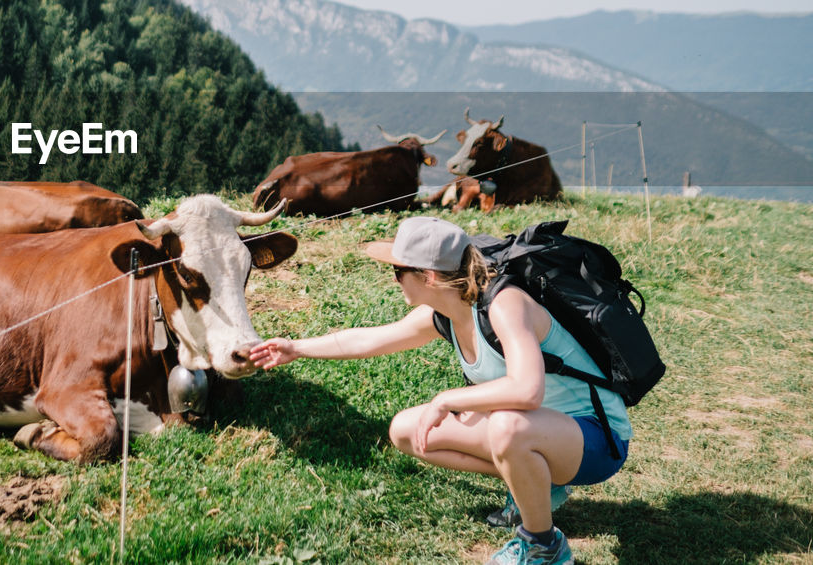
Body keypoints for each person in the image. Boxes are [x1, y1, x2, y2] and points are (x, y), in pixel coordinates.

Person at [249, 216, 631, 565]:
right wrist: (296, 348)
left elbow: (527, 390)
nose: (394, 278)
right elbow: (370, 340)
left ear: (429, 276)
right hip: (541, 434)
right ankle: (535, 485)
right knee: (408, 432)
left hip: (595, 438)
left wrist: (446, 399)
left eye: (399, 271)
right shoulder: (447, 314)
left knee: (507, 428)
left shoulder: (504, 305)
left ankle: (543, 546)